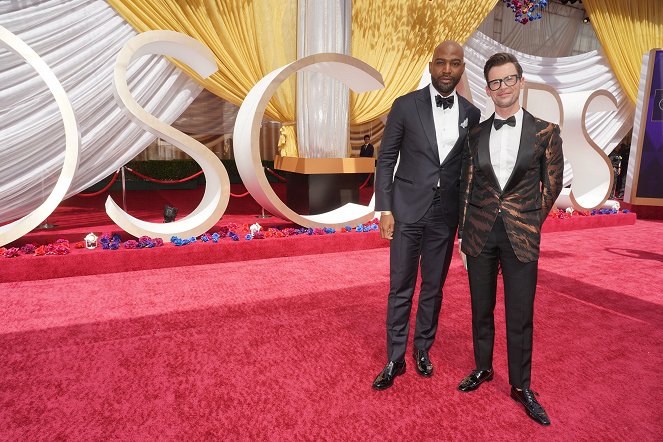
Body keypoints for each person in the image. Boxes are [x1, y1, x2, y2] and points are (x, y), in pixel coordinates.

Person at [457, 52, 563, 426]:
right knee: (480, 309)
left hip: (521, 236)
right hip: (480, 235)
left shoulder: (546, 132)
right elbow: (467, 185)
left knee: (520, 316)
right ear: (488, 89)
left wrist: (528, 220)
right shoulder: (474, 134)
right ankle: (483, 368)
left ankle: (521, 386)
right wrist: (463, 233)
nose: (502, 87)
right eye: (495, 82)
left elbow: (550, 187)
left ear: (520, 82)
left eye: (508, 79)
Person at [372, 41, 481, 390]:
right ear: (431, 65)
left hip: (444, 214)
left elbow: (468, 172)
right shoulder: (405, 105)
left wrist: (465, 223)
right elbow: (386, 159)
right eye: (441, 63)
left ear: (462, 68)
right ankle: (394, 357)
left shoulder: (471, 113)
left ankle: (422, 348)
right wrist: (384, 208)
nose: (447, 70)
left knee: (433, 287)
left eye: (455, 64)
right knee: (400, 286)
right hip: (406, 209)